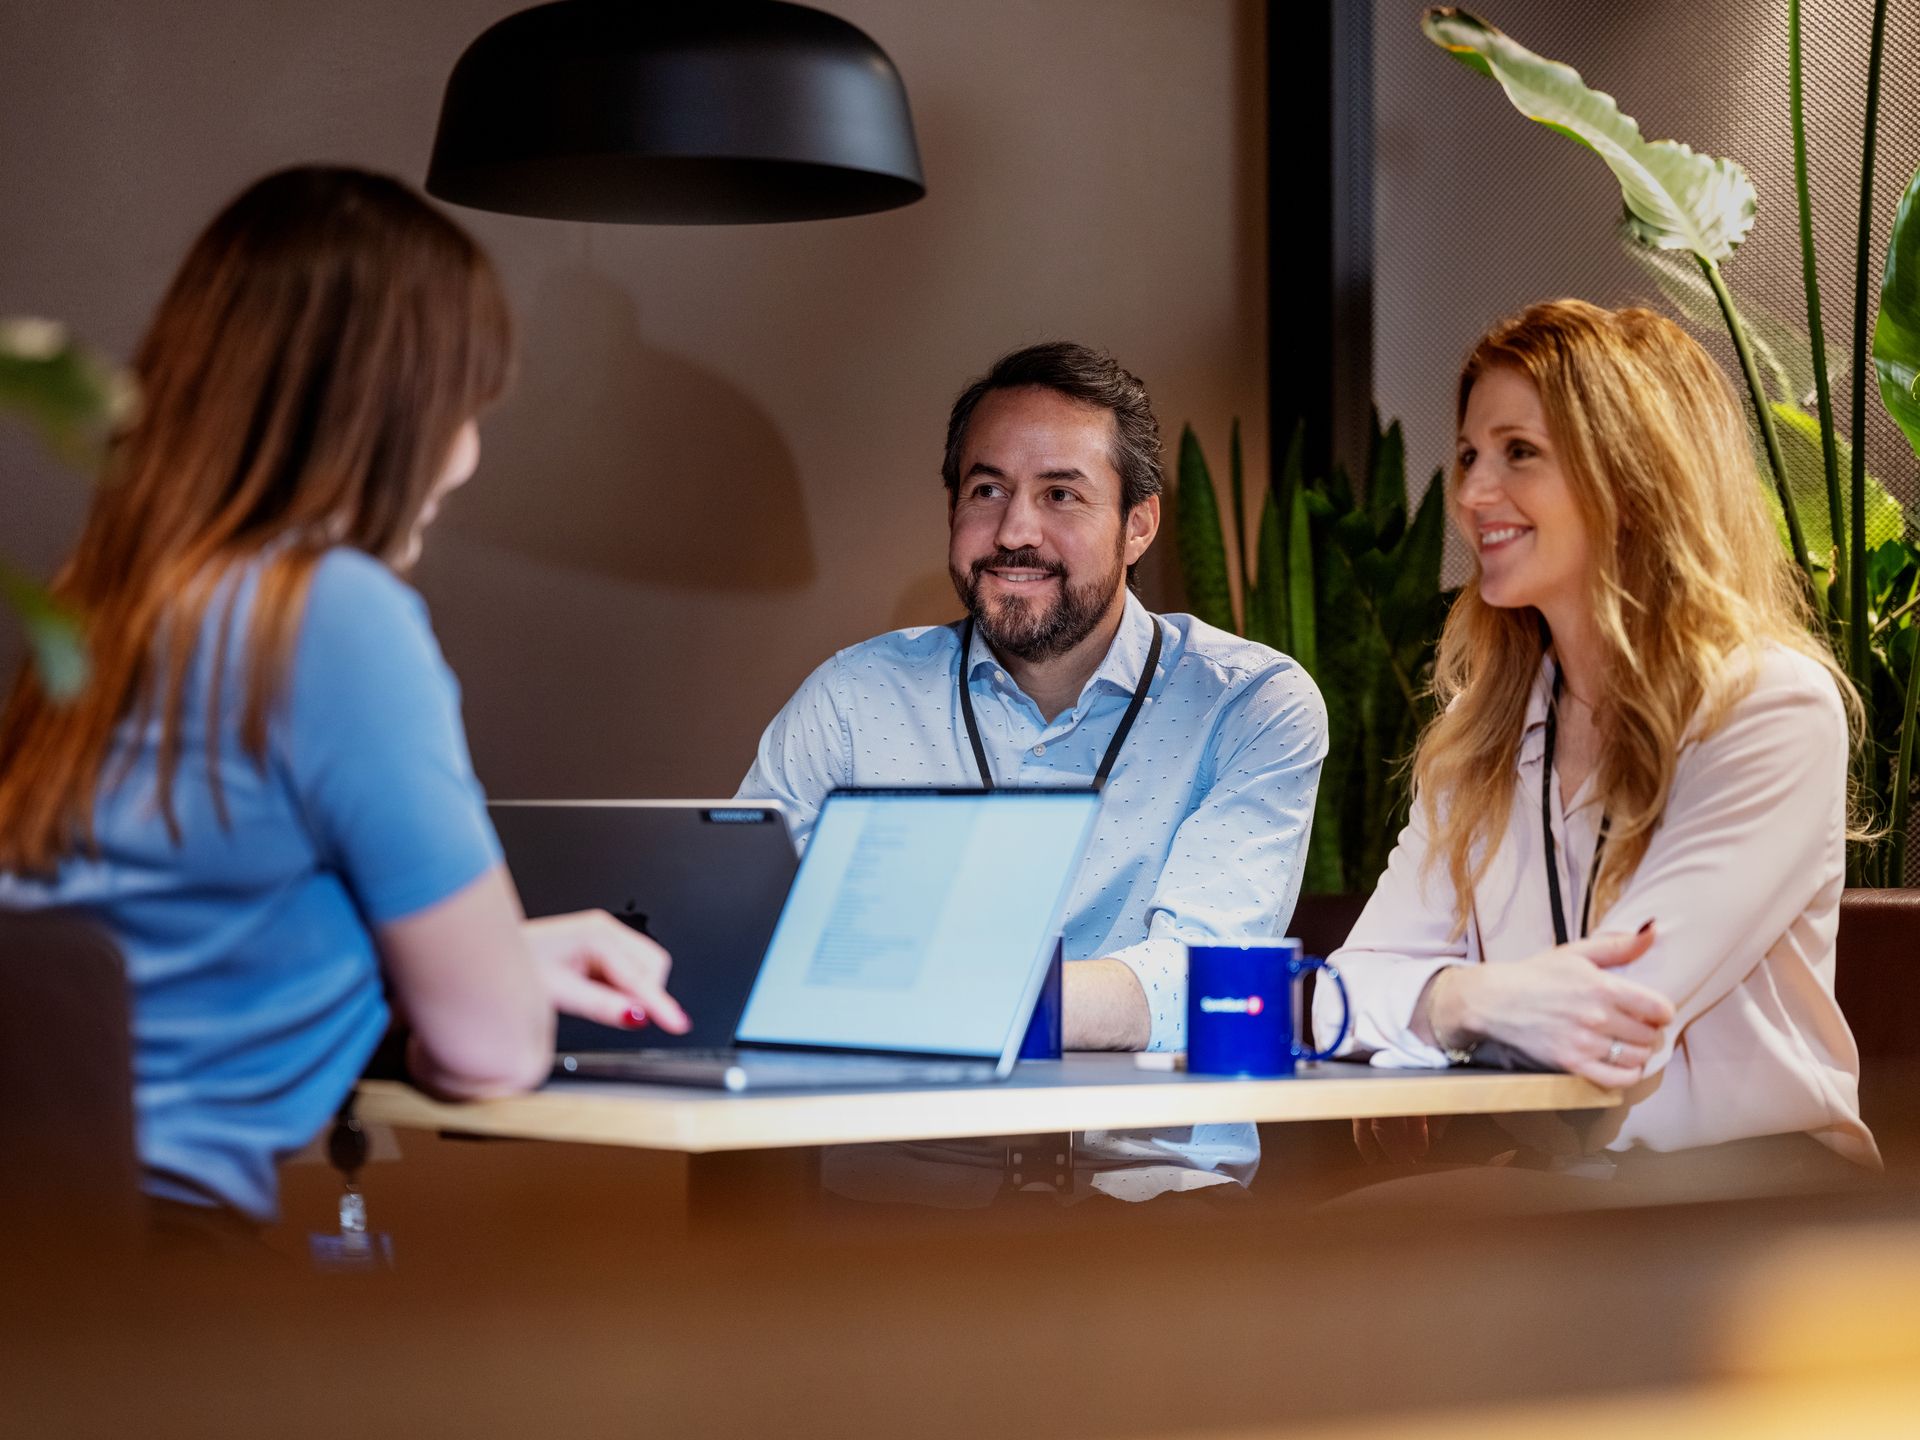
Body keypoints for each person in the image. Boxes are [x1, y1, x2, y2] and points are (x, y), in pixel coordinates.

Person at [0, 167, 689, 1236]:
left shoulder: (104, 593)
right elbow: (489, 1050)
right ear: (394, 410)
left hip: (47, 1256)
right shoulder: (329, 614)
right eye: (467, 407)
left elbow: (182, 938)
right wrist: (483, 988)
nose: (465, 457)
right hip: (162, 1265)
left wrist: (496, 957)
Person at [740, 341, 1327, 1197]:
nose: (1015, 531)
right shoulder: (856, 698)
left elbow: (1203, 986)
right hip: (893, 1196)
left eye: (1061, 494)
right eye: (987, 491)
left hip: (1149, 1202)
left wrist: (911, 993)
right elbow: (742, 947)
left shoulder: (1249, 704)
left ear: (1140, 524)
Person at [1318, 299, 1876, 1195]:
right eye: (1467, 455)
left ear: (1628, 473)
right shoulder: (1481, 736)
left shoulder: (1770, 705)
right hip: (1567, 1188)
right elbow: (1339, 994)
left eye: (1519, 453)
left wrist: (1432, 1011)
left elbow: (1613, 1019)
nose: (1469, 494)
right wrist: (1468, 1002)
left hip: (1756, 1196)